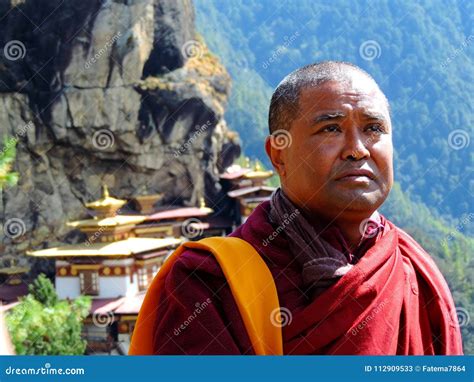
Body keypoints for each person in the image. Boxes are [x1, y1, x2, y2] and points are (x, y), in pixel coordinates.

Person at [130, 61, 463, 355]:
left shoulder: (412, 267)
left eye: (373, 129)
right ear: (279, 155)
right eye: (330, 128)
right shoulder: (211, 280)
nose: (357, 150)